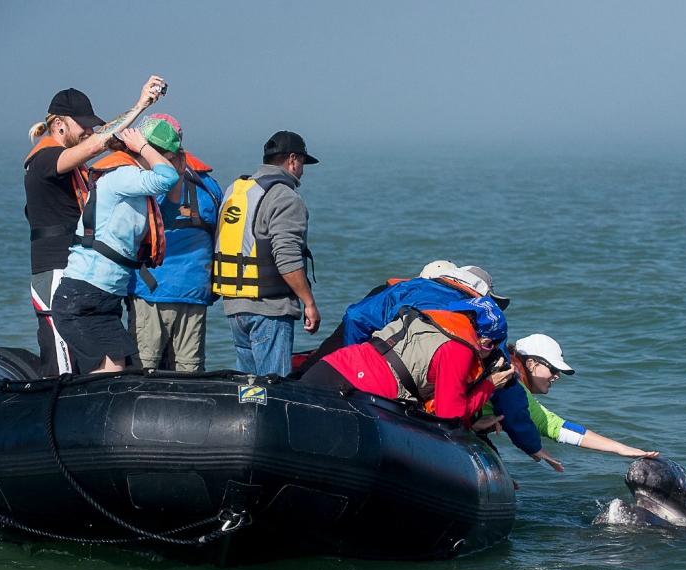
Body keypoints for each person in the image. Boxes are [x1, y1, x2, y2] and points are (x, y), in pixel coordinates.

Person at [25, 77, 166, 376]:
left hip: (81, 271)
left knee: (91, 358)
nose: (89, 130)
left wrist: (139, 108)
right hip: (55, 271)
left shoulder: (71, 161)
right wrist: (139, 106)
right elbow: (96, 144)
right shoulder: (45, 160)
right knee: (61, 358)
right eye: (83, 124)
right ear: (59, 124)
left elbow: (101, 136)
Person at [50, 118, 182, 374]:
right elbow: (166, 177)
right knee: (110, 375)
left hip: (104, 297)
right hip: (83, 295)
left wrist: (176, 174)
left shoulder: (137, 186)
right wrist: (146, 147)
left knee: (118, 371)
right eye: (165, 156)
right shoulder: (123, 176)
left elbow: (163, 220)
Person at [302, 297, 516, 424]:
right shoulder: (459, 347)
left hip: (331, 367)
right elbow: (449, 415)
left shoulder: (429, 320)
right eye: (491, 349)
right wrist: (489, 385)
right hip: (357, 390)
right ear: (486, 340)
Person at [212, 131, 321, 377]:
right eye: (302, 162)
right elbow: (287, 258)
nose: (302, 170)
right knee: (272, 389)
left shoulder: (237, 189)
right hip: (269, 310)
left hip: (234, 306)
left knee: (248, 389)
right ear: (292, 159)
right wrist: (309, 302)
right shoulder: (284, 196)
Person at [290, 262, 506, 379]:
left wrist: (351, 361)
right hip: (405, 380)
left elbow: (357, 317)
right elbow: (498, 365)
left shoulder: (403, 288)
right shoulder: (480, 316)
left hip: (368, 358)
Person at [127, 114, 223, 372]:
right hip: (195, 291)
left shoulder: (146, 181)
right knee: (189, 371)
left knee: (144, 369)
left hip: (151, 291)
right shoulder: (209, 186)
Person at [479, 334, 659, 471]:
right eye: (553, 369)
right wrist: (619, 448)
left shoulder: (503, 368)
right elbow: (554, 426)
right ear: (532, 363)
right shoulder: (512, 382)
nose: (557, 376)